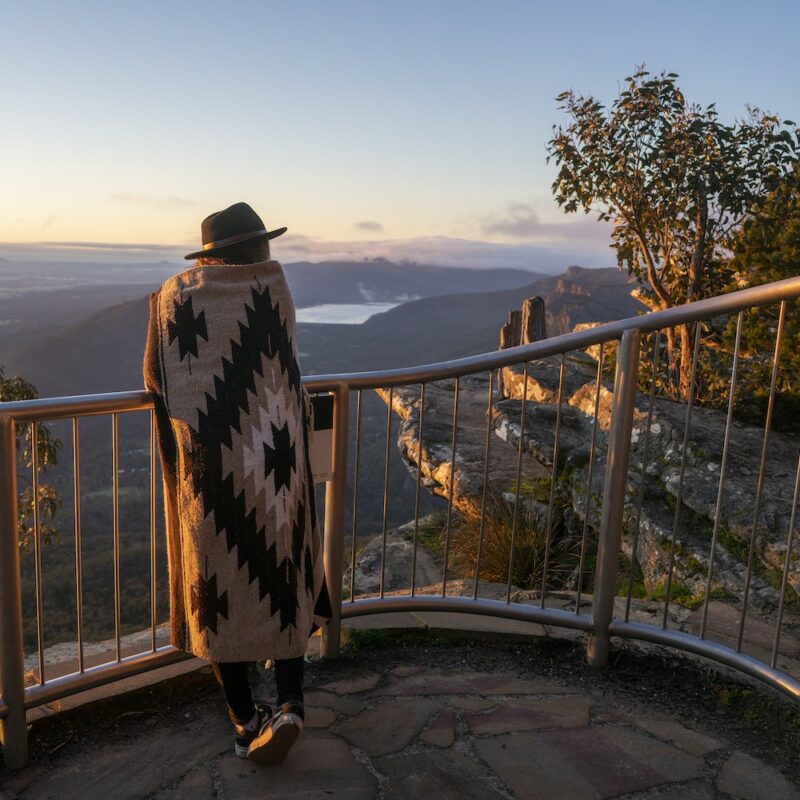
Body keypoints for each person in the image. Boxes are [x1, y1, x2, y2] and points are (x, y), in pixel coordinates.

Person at [143, 202, 331, 765]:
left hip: (212, 479)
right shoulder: (274, 291)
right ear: (256, 249)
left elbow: (155, 377)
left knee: (219, 584)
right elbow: (286, 368)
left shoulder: (174, 298)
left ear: (211, 254)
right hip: (276, 464)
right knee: (286, 571)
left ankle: (247, 722)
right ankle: (292, 704)